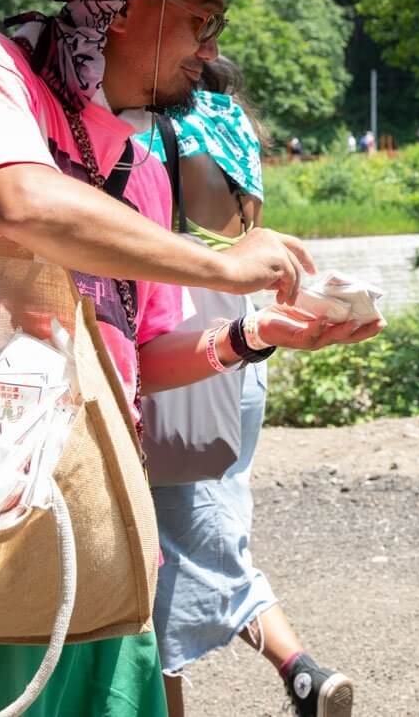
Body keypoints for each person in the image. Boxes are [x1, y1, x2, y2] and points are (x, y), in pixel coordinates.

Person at [0, 0, 380, 717]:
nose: (211, 49)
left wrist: (252, 333)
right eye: (202, 19)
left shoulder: (139, 166)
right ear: (122, 4)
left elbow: (146, 351)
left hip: (106, 518)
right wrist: (217, 261)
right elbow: (21, 198)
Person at [136, 57, 359, 717]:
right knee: (214, 527)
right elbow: (243, 242)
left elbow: (144, 246)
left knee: (155, 557)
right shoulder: (234, 130)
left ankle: (294, 669)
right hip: (246, 350)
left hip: (181, 355)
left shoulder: (149, 135)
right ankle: (301, 671)